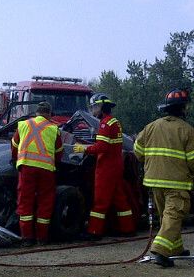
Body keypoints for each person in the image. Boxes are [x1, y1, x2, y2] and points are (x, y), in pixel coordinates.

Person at [133, 88, 194, 267]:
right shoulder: (187, 130)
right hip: (177, 182)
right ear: (183, 109)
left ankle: (175, 248)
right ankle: (160, 250)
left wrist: (152, 164)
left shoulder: (150, 127)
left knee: (168, 216)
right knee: (175, 214)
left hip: (154, 181)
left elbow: (137, 151)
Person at [73, 93, 135, 239]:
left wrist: (83, 149)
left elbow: (102, 147)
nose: (93, 111)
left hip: (106, 169)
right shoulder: (114, 122)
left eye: (94, 107)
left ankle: (94, 231)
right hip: (116, 166)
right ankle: (128, 228)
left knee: (100, 201)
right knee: (120, 200)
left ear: (100, 106)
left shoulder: (105, 124)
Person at [11, 101, 62, 245]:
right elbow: (59, 152)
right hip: (46, 170)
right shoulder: (54, 128)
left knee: (25, 201)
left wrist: (16, 160)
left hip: (26, 167)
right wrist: (55, 164)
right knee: (45, 203)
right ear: (49, 114)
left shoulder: (23, 125)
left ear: (37, 113)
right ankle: (42, 238)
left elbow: (14, 145)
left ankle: (27, 238)